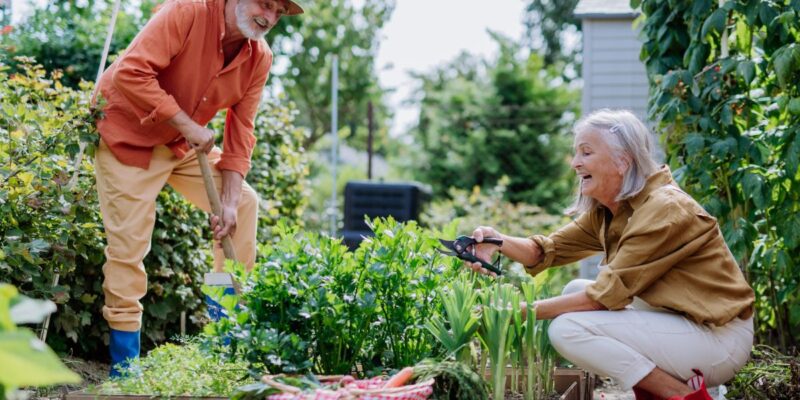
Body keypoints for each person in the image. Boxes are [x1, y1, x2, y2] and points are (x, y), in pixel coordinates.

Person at [466, 109, 755, 400]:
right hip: (684, 324)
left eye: (586, 152)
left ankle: (684, 396)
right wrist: (496, 240)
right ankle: (669, 392)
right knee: (574, 289)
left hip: (719, 339)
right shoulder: (611, 210)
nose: (575, 163)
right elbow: (544, 250)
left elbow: (602, 298)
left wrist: (518, 312)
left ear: (623, 160)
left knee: (567, 328)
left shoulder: (664, 209)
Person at [93, 0, 304, 376]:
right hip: (126, 136)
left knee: (243, 205)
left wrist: (228, 200)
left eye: (279, 12)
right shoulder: (187, 11)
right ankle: (125, 365)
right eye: (265, 4)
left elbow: (241, 133)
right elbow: (131, 72)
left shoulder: (259, 58)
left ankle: (227, 336)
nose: (270, 17)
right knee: (129, 242)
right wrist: (189, 126)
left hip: (179, 145)